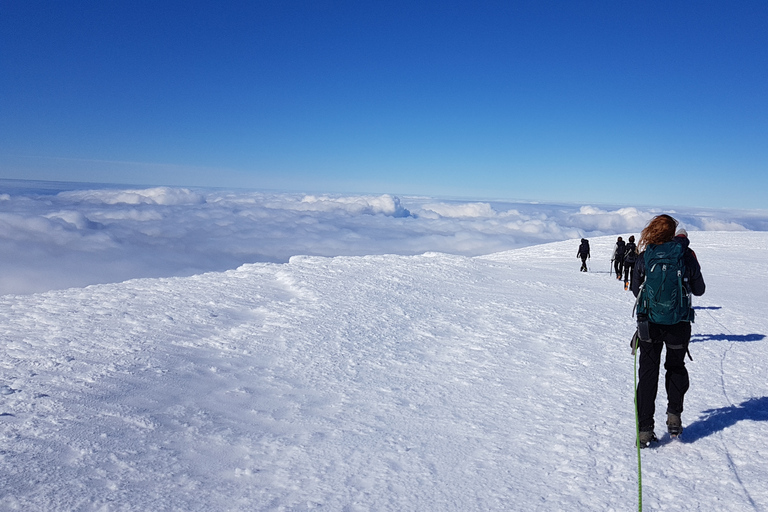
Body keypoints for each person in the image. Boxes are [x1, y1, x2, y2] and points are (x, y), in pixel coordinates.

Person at [631, 215, 705, 447]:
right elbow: (700, 290)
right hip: (679, 323)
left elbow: (635, 289)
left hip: (649, 324)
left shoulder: (646, 256)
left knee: (648, 373)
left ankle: (644, 430)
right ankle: (674, 415)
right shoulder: (685, 255)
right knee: (675, 366)